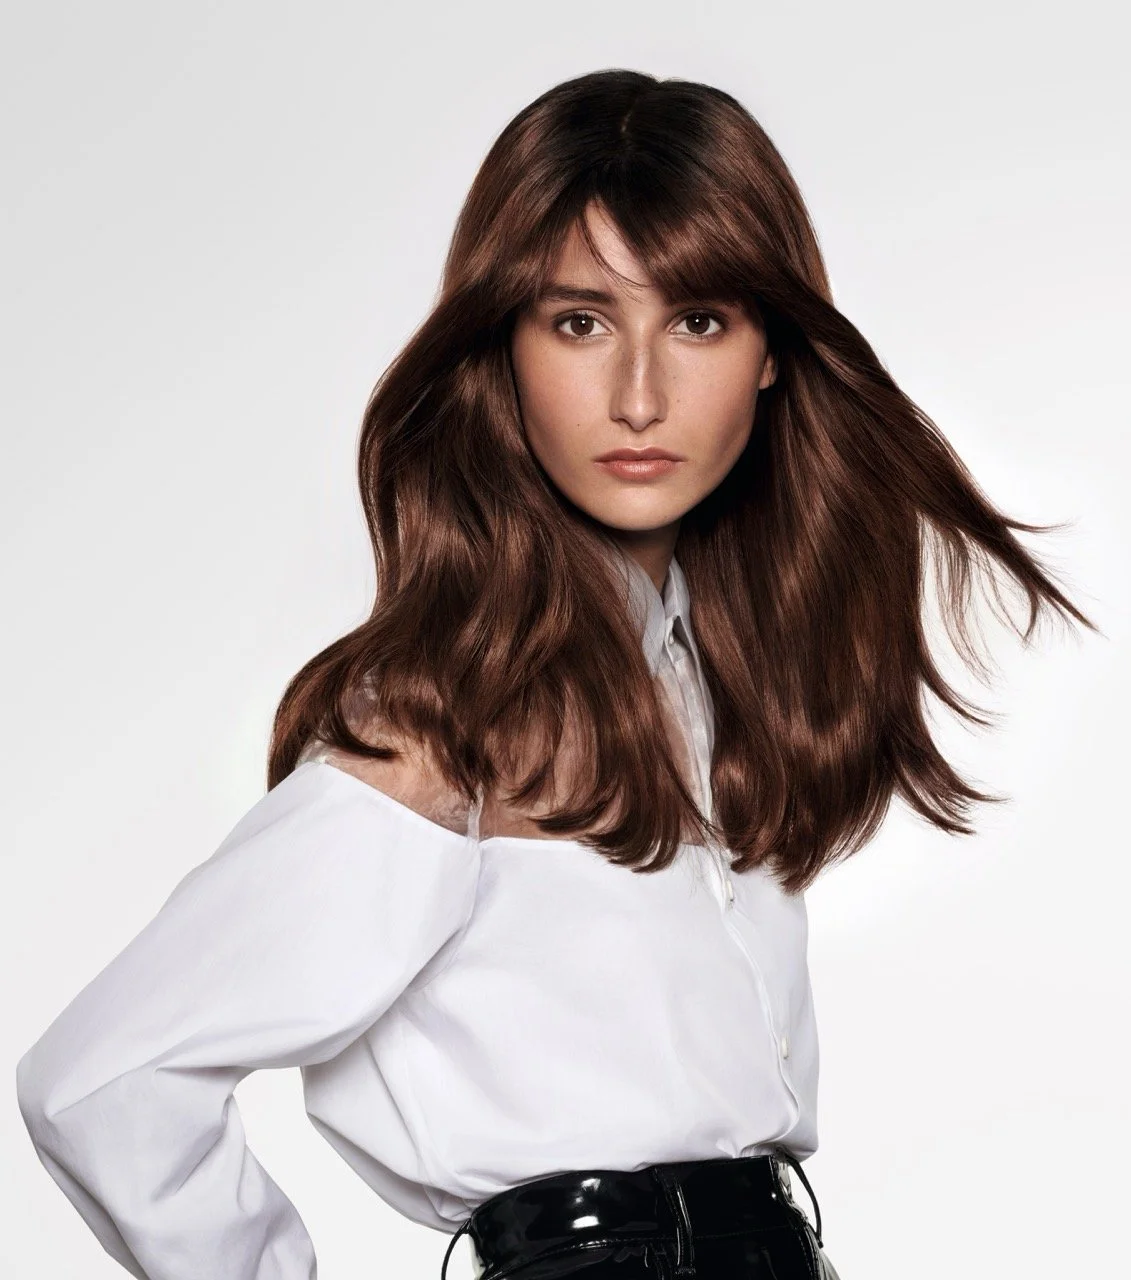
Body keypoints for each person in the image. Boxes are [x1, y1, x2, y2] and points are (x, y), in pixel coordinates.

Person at [15, 69, 1095, 1280]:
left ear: (775, 356)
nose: (640, 395)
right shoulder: (442, 725)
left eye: (699, 321)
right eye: (579, 322)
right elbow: (104, 1078)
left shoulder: (718, 685)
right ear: (505, 349)